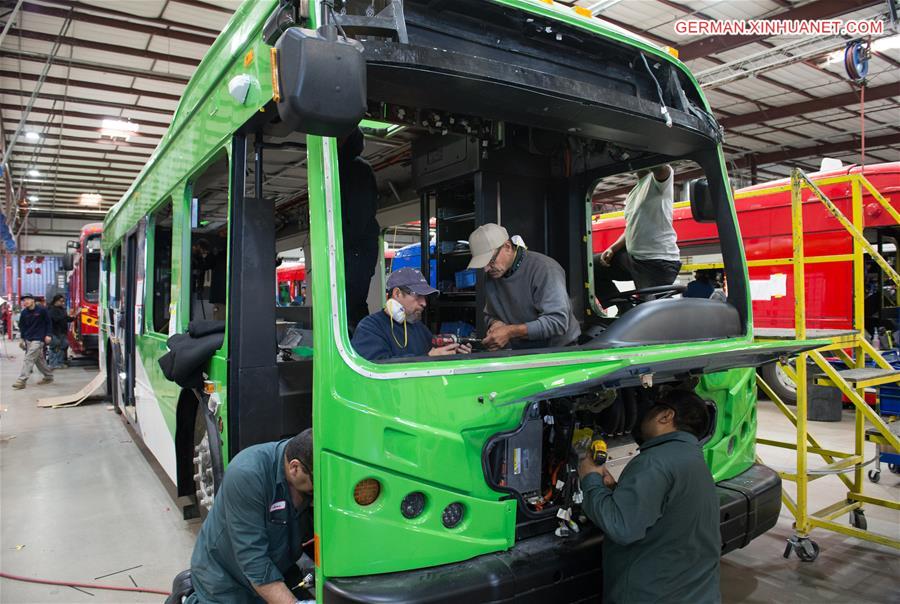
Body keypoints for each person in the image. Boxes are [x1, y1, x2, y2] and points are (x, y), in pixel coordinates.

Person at [578, 390, 720, 604]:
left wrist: (590, 479)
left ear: (666, 416)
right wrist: (617, 493)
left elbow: (621, 527)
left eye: (650, 408)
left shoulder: (654, 462)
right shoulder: (693, 459)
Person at [187, 429, 315, 604]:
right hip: (225, 583)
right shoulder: (247, 474)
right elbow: (253, 559)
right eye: (317, 483)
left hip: (278, 570)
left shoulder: (308, 458)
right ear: (294, 467)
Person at [467, 223, 579, 350]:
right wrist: (496, 324)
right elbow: (490, 314)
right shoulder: (494, 274)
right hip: (521, 353)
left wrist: (509, 331)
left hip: (557, 352)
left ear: (507, 247)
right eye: (483, 264)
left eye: (491, 261)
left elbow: (557, 322)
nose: (486, 269)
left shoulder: (544, 269)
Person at [594, 165, 681, 312]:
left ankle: (637, 317)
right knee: (592, 268)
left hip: (656, 263)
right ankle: (624, 310)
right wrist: (613, 248)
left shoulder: (657, 181)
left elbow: (662, 169)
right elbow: (631, 227)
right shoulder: (635, 191)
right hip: (634, 260)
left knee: (648, 316)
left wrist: (645, 149)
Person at [352, 267, 471, 361]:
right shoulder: (370, 327)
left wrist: (453, 354)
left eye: (425, 297)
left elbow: (433, 354)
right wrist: (427, 358)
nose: (424, 303)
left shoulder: (419, 328)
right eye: (418, 295)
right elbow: (376, 368)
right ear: (397, 293)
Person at [339, 127, 380, 329]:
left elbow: (357, 215)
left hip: (356, 250)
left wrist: (340, 244)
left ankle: (361, 347)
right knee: (351, 305)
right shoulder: (353, 169)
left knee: (352, 305)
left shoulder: (355, 169)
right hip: (358, 248)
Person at [12, 293, 53, 389]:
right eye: (23, 300)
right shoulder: (24, 313)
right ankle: (48, 376)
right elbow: (22, 327)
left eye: (27, 299)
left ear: (33, 300)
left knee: (29, 357)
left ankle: (22, 380)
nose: (25, 302)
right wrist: (22, 339)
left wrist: (48, 335)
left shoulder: (42, 310)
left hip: (39, 339)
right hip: (28, 339)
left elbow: (49, 323)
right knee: (39, 360)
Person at [47, 294, 75, 368]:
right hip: (54, 332)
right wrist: (67, 316)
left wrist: (72, 317)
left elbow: (65, 319)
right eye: (61, 301)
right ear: (56, 301)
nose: (63, 303)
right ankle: (53, 363)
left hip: (62, 332)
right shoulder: (51, 309)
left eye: (63, 301)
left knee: (63, 346)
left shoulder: (62, 309)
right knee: (55, 347)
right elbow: (56, 319)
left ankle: (60, 362)